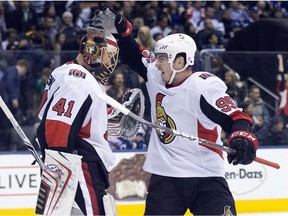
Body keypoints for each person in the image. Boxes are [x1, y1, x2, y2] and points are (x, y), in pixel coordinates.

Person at [92, 9, 259, 215]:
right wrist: (121, 31)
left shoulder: (203, 87)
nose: (157, 62)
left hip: (206, 176)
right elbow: (133, 54)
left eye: (163, 58)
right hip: (166, 177)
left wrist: (242, 139)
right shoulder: (156, 74)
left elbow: (236, 118)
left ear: (179, 62)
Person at [36, 29, 119, 215]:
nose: (111, 62)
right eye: (108, 56)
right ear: (92, 51)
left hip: (79, 163)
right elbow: (58, 126)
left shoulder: (72, 73)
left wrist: (115, 119)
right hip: (79, 165)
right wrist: (59, 170)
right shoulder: (78, 80)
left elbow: (84, 121)